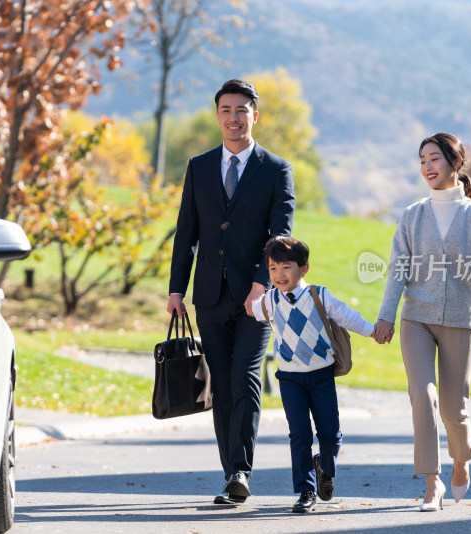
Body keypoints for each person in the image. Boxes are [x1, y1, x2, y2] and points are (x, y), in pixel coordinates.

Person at [166, 79, 295, 505]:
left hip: (257, 299)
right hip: (208, 295)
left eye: (242, 110)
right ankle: (231, 473)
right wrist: (175, 290)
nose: (233, 118)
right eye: (226, 110)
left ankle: (241, 468)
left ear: (254, 116)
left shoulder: (275, 169)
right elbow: (186, 232)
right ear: (217, 115)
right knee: (221, 384)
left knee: (245, 376)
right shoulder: (199, 167)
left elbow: (281, 237)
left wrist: (262, 282)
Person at [373, 133, 471, 512]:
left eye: (434, 159)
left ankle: (461, 462)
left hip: (462, 321)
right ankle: (433, 482)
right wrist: (386, 315)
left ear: (454, 162)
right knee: (422, 397)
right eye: (422, 160)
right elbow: (398, 270)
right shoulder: (413, 215)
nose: (427, 167)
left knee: (453, 408)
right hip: (417, 319)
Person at [251, 235, 376, 513]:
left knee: (330, 435)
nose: (279, 275)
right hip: (290, 378)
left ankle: (326, 467)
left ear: (303, 268)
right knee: (299, 435)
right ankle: (306, 491)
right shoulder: (269, 300)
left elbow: (347, 317)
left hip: (321, 376)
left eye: (286, 267)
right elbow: (251, 309)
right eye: (273, 268)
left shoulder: (319, 295)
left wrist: (374, 331)